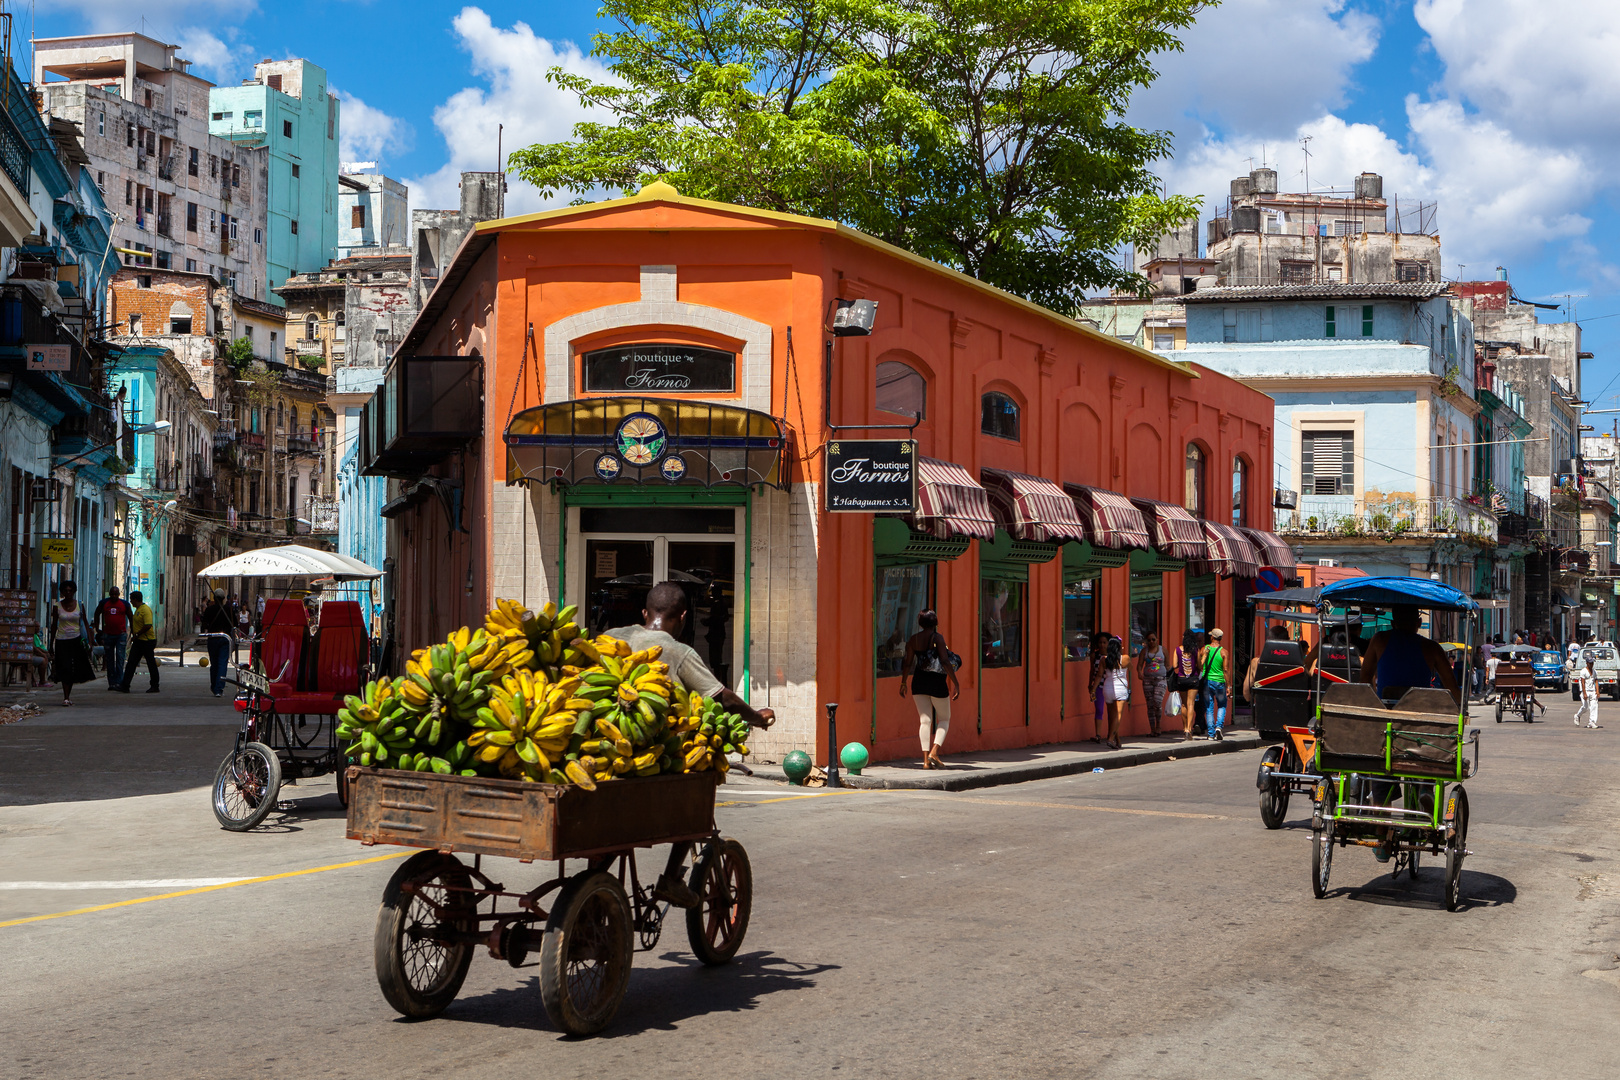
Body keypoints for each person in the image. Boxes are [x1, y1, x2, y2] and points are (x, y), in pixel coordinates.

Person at [604, 581, 773, 908]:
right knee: (698, 785)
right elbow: (721, 697)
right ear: (682, 618)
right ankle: (670, 878)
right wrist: (757, 717)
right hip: (653, 755)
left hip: (600, 749)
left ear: (644, 613)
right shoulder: (680, 652)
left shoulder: (610, 637)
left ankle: (595, 880)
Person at [1358, 604, 1459, 705]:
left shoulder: (1379, 640)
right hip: (1420, 709)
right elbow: (1452, 687)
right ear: (1419, 622)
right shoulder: (1432, 647)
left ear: (1393, 623)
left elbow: (1365, 679)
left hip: (1386, 711)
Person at [900, 609, 961, 769]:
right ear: (935, 623)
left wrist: (903, 682)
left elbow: (907, 663)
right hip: (936, 683)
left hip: (918, 682)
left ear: (920, 623)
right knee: (945, 719)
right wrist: (956, 682)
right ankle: (935, 751)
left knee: (925, 720)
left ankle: (926, 761)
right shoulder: (937, 638)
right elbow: (945, 661)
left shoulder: (914, 639)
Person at [47, 581, 95, 706]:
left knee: (73, 668)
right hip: (62, 641)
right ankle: (66, 697)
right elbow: (54, 625)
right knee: (64, 667)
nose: (68, 593)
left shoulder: (79, 605)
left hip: (76, 640)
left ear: (74, 591)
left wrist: (90, 641)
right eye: (65, 591)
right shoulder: (57, 606)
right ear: (62, 592)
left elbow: (85, 623)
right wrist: (51, 644)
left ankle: (68, 695)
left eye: (70, 590)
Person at [116, 590, 159, 693]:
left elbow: (148, 625)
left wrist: (137, 634)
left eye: (131, 600)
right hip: (139, 641)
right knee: (131, 663)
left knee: (150, 663)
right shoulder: (138, 610)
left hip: (147, 641)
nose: (131, 602)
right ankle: (125, 685)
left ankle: (155, 685)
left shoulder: (145, 610)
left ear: (135, 600)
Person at [91, 586, 132, 691]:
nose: (113, 596)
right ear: (109, 594)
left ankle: (119, 681)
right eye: (112, 594)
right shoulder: (104, 603)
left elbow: (131, 617)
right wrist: (98, 627)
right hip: (108, 634)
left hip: (121, 634)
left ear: (119, 594)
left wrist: (132, 631)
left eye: (116, 594)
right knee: (109, 659)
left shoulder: (125, 604)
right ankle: (112, 683)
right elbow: (97, 613)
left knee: (120, 658)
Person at [200, 589, 236, 697]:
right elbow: (234, 625)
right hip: (225, 638)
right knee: (222, 663)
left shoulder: (209, 610)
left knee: (214, 663)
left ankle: (214, 685)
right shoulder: (229, 610)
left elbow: (204, 625)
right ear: (223, 599)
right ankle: (219, 688)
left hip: (213, 638)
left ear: (214, 599)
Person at [1135, 631, 1168, 737]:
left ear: (1157, 639)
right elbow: (1139, 665)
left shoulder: (1163, 650)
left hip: (1160, 679)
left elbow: (1167, 665)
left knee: (1157, 702)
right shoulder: (1144, 651)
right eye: (1149, 640)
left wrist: (1170, 677)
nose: (1151, 642)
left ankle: (1158, 725)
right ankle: (1152, 729)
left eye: (1153, 639)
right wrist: (1139, 673)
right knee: (1150, 704)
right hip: (1148, 679)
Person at [1199, 627, 1229, 741]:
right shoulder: (1224, 652)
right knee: (1222, 705)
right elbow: (1226, 670)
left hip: (1207, 682)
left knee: (1209, 707)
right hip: (1220, 682)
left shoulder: (1204, 649)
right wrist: (1229, 685)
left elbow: (1200, 664)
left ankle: (1211, 734)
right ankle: (1218, 727)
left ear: (1212, 637)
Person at [1101, 634, 1130, 749]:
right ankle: (1110, 739)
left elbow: (1099, 675)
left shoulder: (1104, 660)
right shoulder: (1126, 658)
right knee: (1117, 716)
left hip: (1107, 688)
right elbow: (1131, 668)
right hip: (1120, 689)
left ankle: (1117, 739)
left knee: (1112, 716)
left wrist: (1093, 689)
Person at [1171, 630, 1198, 742]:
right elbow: (1200, 665)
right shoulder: (1195, 650)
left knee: (1183, 704)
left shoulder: (1177, 650)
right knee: (1191, 704)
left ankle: (1184, 728)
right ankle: (1189, 729)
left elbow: (1174, 665)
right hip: (1193, 679)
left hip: (1181, 679)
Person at [1086, 630, 1110, 742]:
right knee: (1099, 709)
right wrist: (1090, 684)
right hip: (1098, 686)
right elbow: (1092, 671)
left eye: (1104, 642)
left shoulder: (1112, 656)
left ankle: (1112, 734)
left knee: (1112, 711)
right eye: (1100, 642)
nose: (1102, 645)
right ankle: (1098, 734)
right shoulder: (1094, 656)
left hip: (1110, 685)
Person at [1575, 654, 1602, 729]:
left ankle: (1592, 722)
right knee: (1585, 707)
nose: (1591, 664)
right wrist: (1584, 693)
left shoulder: (1594, 672)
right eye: (1590, 663)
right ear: (1587, 663)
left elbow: (1596, 681)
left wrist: (1597, 691)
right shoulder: (1583, 671)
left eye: (1592, 663)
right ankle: (1578, 715)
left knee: (1594, 706)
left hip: (1592, 691)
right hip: (1585, 691)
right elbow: (1583, 683)